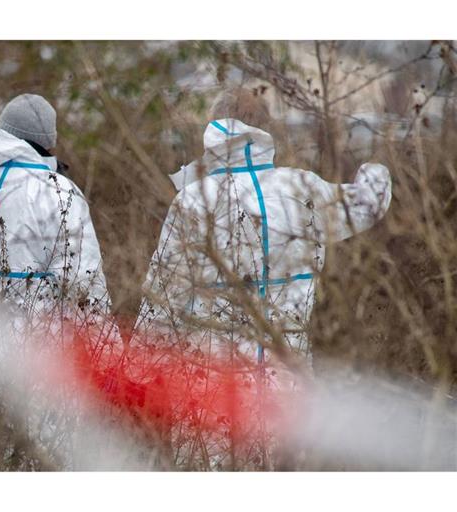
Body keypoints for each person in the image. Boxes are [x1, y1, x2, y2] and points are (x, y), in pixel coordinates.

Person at [135, 88, 393, 366]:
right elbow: (369, 204)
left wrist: (138, 376)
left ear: (213, 129)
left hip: (213, 386)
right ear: (265, 130)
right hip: (286, 383)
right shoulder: (300, 189)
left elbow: (161, 303)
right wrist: (377, 167)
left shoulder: (192, 200)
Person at [0, 93, 117, 345]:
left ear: (4, 131)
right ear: (50, 141)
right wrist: (108, 354)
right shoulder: (59, 192)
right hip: (33, 354)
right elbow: (84, 282)